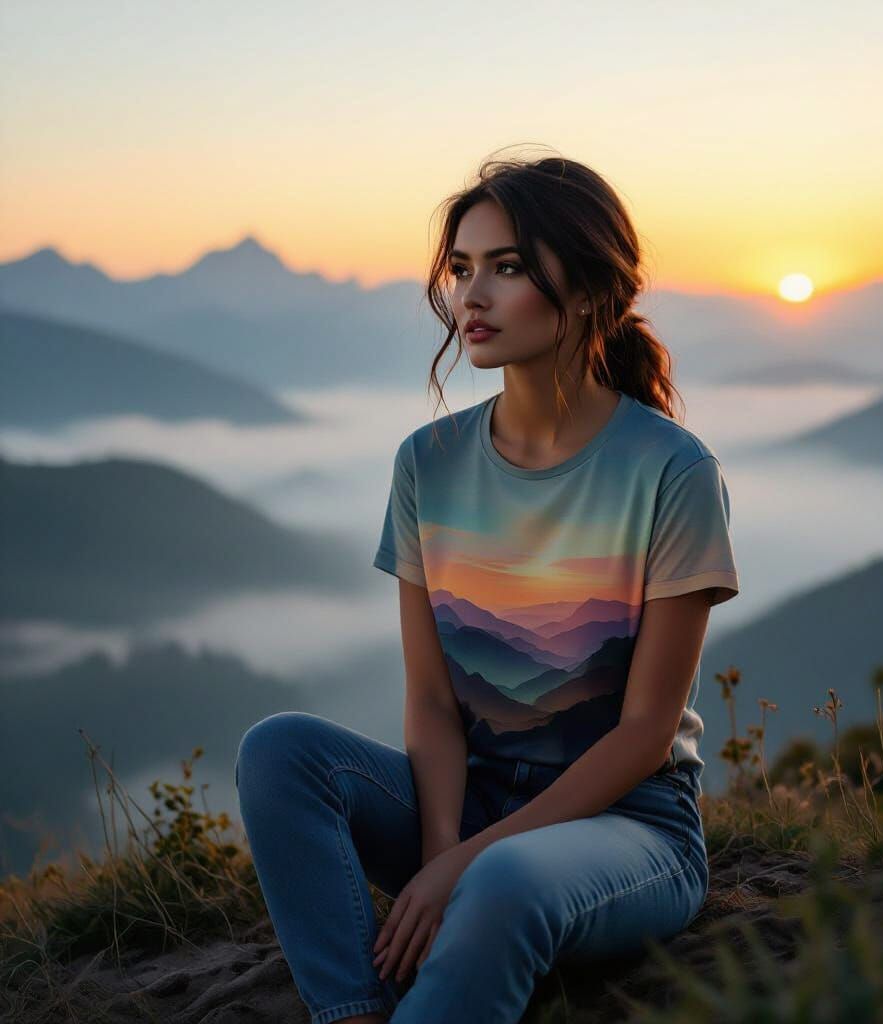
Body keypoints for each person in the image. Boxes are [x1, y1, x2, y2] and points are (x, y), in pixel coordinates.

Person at [235, 149, 741, 1024]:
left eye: (506, 268)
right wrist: (440, 852)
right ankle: (352, 1010)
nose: (471, 296)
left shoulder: (671, 471)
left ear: (586, 290)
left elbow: (647, 734)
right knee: (279, 751)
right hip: (468, 803)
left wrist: (467, 869)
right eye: (462, 269)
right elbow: (432, 700)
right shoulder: (427, 463)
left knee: (502, 877)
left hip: (629, 828)